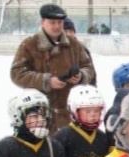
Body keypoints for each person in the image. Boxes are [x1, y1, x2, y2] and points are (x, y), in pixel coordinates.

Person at [11, 4, 95, 132]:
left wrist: (81, 76)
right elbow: (17, 73)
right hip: (39, 115)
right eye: (52, 22)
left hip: (70, 114)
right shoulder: (29, 45)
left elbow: (88, 68)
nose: (57, 26)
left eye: (59, 22)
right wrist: (46, 81)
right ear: (43, 22)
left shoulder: (73, 44)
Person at [63, 17, 96, 86]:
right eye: (65, 31)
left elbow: (90, 71)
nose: (68, 34)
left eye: (71, 31)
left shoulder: (81, 48)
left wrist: (81, 76)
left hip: (79, 90)